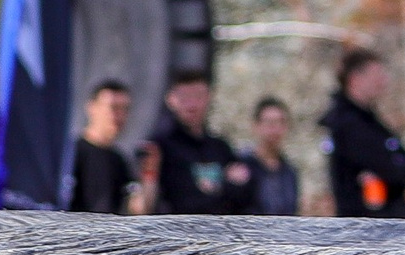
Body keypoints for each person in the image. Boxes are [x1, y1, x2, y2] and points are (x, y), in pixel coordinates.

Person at [321, 47, 405, 220]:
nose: (383, 82)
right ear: (355, 79)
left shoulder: (371, 122)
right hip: (364, 227)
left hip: (384, 224)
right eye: (376, 76)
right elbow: (391, 169)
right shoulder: (348, 125)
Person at [150, 70, 253, 215]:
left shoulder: (220, 148)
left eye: (198, 96)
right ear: (171, 99)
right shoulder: (161, 147)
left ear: (209, 98)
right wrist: (227, 185)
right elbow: (183, 200)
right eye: (184, 97)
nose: (192, 105)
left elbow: (245, 197)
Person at [67, 80, 153, 214]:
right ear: (92, 108)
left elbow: (137, 209)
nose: (118, 116)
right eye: (113, 107)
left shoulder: (119, 160)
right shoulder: (71, 154)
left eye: (125, 109)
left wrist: (148, 173)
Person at [245, 97, 300, 217]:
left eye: (280, 122)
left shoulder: (290, 172)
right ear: (256, 126)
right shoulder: (243, 167)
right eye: (269, 123)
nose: (275, 129)